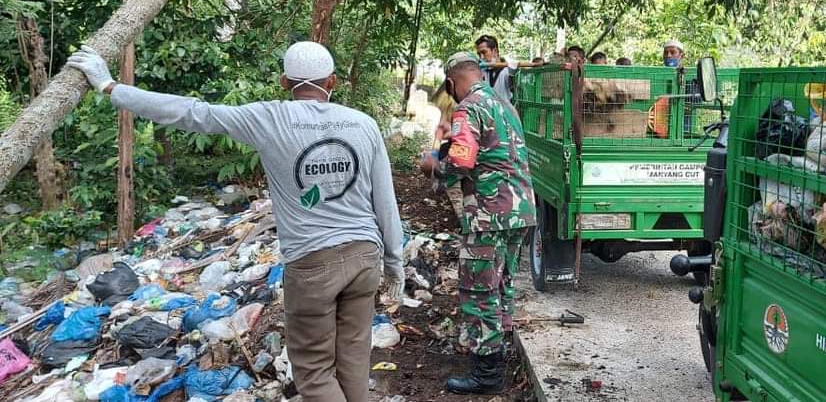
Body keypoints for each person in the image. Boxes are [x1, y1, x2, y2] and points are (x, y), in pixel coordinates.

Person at [67, 42, 404, 402]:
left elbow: (190, 112)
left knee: (315, 373)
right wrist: (394, 261)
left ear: (284, 81)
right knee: (353, 361)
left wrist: (110, 86)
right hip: (365, 256)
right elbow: (385, 199)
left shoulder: (268, 118)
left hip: (312, 264)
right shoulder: (364, 125)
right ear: (333, 81)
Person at [420, 52, 536, 395]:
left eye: (450, 88)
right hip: (519, 212)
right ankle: (495, 357)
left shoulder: (467, 108)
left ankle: (487, 375)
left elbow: (462, 160)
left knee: (479, 291)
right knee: (502, 286)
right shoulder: (506, 107)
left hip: (489, 214)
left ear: (453, 81)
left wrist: (433, 167)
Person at [475, 35, 518, 102]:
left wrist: (512, 74)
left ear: (494, 51)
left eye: (484, 52)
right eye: (479, 54)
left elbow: (514, 87)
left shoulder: (507, 71)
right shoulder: (482, 71)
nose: (481, 57)